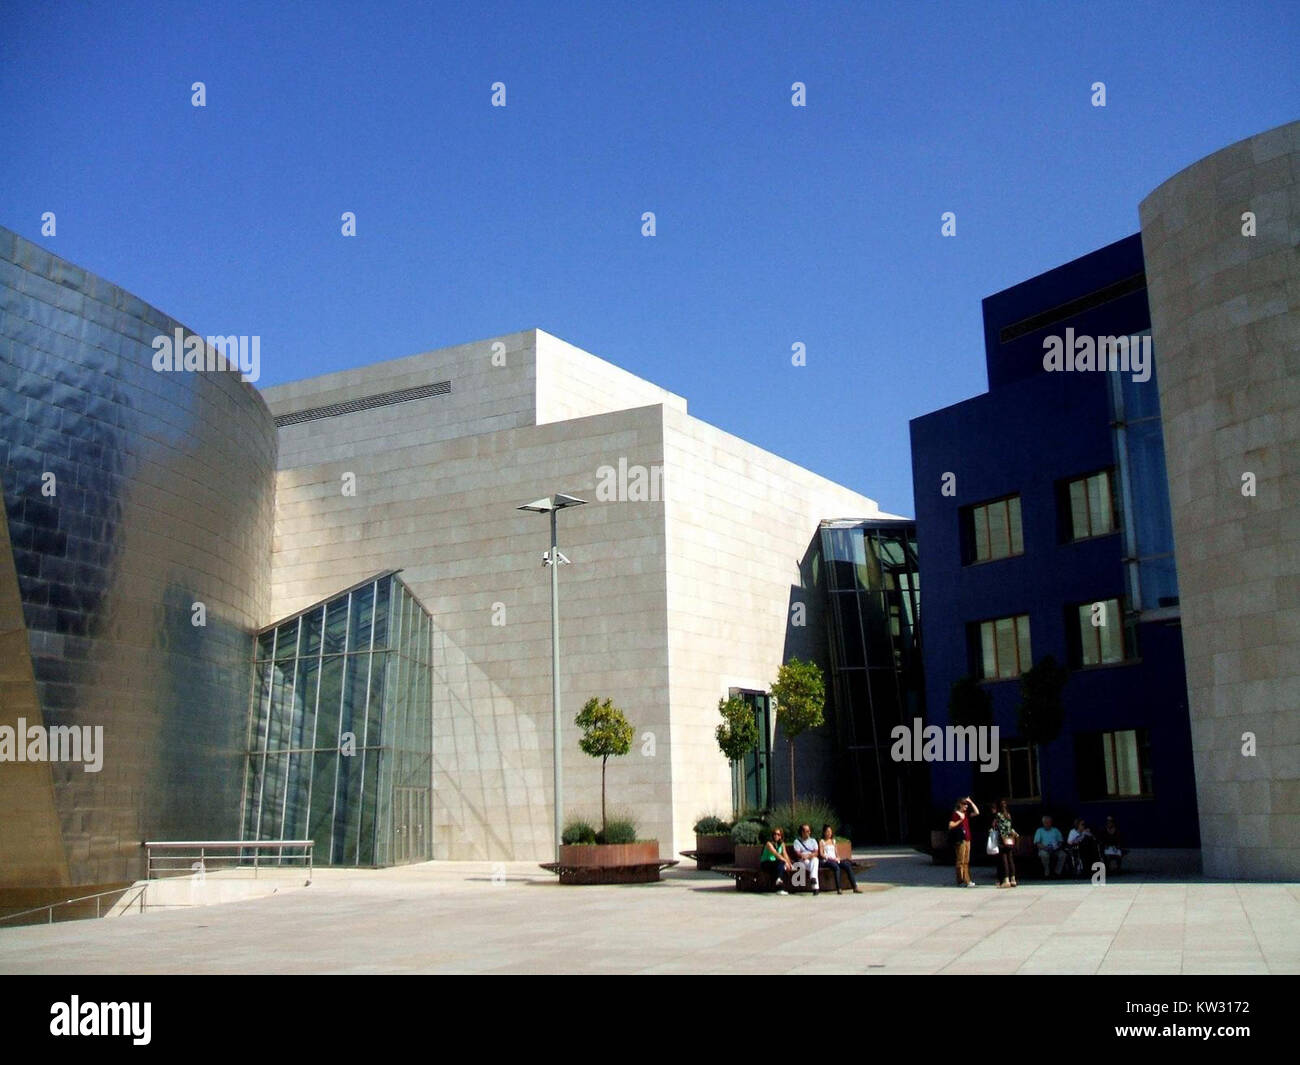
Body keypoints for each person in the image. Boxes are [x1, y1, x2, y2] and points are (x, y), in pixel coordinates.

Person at [818, 823, 862, 894]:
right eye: (827, 831)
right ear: (824, 832)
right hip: (827, 860)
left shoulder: (833, 841)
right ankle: (839, 888)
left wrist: (838, 858)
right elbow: (821, 854)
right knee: (836, 867)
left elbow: (836, 852)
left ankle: (855, 887)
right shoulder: (822, 841)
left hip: (835, 859)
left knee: (847, 865)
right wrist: (830, 858)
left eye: (830, 831)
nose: (829, 833)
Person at [948, 797, 979, 887]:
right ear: (960, 805)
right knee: (960, 861)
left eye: (967, 804)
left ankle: (967, 880)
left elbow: (977, 812)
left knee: (966, 861)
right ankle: (960, 880)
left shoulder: (966, 813)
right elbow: (950, 825)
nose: (966, 806)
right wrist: (960, 820)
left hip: (967, 839)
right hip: (960, 839)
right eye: (965, 804)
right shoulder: (956, 814)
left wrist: (971, 802)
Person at [993, 799, 1019, 887]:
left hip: (1002, 839)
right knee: (1010, 859)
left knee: (1004, 860)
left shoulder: (998, 815)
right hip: (1010, 839)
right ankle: (1013, 879)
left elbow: (995, 826)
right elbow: (1010, 826)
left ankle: (1006, 880)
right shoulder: (1008, 815)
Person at [760, 827, 794, 894]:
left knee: (781, 867)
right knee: (781, 864)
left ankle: (780, 887)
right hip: (766, 863)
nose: (776, 836)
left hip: (776, 864)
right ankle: (780, 886)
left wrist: (789, 864)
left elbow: (785, 854)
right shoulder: (769, 843)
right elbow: (776, 854)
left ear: (781, 836)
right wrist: (786, 862)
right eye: (775, 834)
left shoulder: (782, 844)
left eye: (778, 834)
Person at [791, 823, 821, 894]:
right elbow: (798, 854)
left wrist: (808, 856)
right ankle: (815, 887)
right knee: (811, 864)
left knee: (815, 860)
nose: (809, 832)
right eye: (807, 831)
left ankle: (813, 878)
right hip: (802, 861)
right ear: (802, 832)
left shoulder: (813, 841)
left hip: (811, 858)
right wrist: (805, 856)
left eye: (809, 831)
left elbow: (816, 853)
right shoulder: (797, 841)